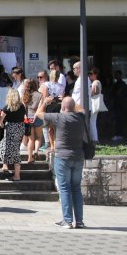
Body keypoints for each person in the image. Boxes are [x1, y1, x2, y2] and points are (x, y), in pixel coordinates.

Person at [35, 96, 86, 228]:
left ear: (63, 107)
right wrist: (67, 100)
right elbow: (82, 109)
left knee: (64, 188)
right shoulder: (80, 117)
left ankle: (67, 221)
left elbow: (38, 114)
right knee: (76, 188)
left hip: (63, 157)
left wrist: (46, 102)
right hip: (78, 157)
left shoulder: (59, 117)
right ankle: (79, 221)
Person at [0, 89, 25, 181]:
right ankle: (5, 165)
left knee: (7, 148)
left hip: (10, 129)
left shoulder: (7, 107)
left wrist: (1, 124)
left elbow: (0, 120)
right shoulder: (22, 106)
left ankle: (17, 175)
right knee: (10, 147)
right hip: (20, 128)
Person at [22, 79, 43, 163]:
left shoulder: (25, 95)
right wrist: (35, 116)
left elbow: (23, 109)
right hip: (37, 117)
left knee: (30, 139)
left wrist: (26, 118)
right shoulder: (40, 95)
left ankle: (30, 157)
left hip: (28, 119)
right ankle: (36, 151)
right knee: (39, 137)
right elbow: (40, 108)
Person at [110, 70, 127, 141]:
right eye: (115, 74)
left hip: (120, 104)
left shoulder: (122, 84)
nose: (116, 76)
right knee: (117, 119)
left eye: (117, 74)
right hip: (117, 103)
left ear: (120, 75)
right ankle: (118, 134)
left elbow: (118, 93)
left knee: (118, 120)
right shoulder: (117, 84)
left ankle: (119, 135)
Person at [89, 67, 107, 143]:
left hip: (93, 104)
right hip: (94, 104)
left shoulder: (96, 82)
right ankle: (94, 139)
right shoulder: (96, 82)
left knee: (92, 122)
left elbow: (92, 92)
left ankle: (94, 139)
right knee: (92, 122)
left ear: (95, 74)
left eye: (91, 73)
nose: (89, 75)